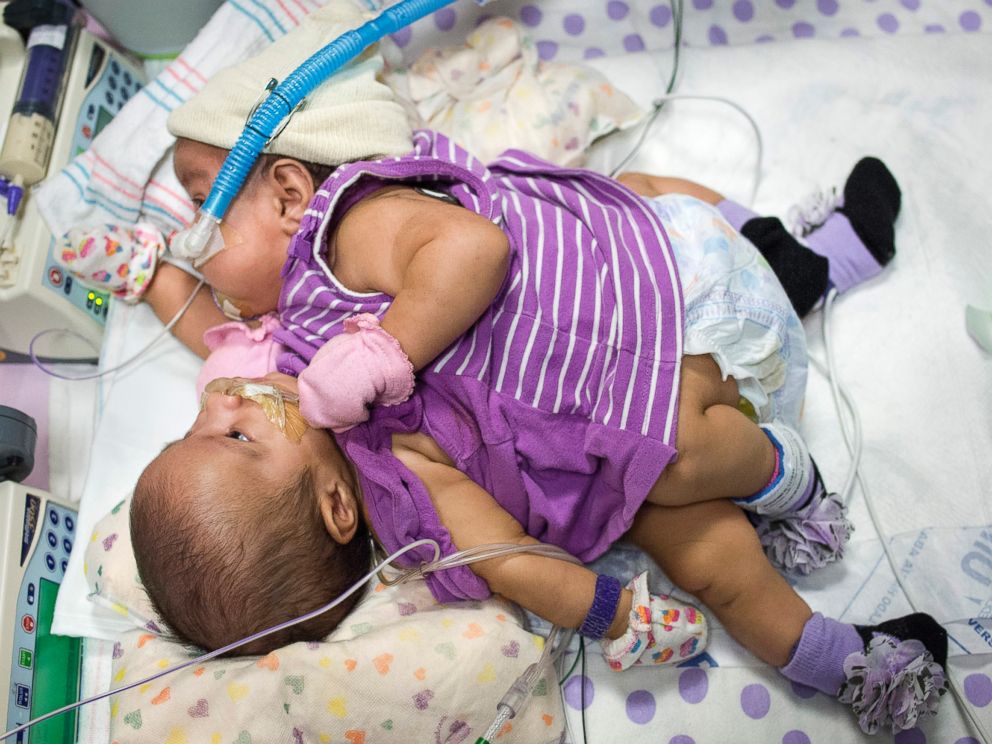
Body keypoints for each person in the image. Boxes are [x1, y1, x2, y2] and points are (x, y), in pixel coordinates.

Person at [66, 1, 934, 734]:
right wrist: (612, 613)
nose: (217, 395)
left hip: (676, 285)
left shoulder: (346, 231)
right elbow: (508, 555)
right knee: (709, 557)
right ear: (337, 508)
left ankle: (815, 259)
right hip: (657, 423)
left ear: (294, 194)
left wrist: (151, 276)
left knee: (644, 187)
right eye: (230, 431)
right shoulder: (393, 479)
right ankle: (847, 663)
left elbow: (472, 246)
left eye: (196, 200)